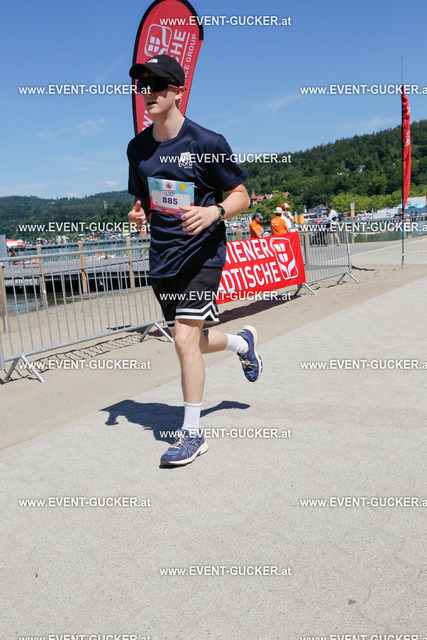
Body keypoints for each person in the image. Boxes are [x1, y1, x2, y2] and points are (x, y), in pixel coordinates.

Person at [127, 55, 263, 467]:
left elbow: (241, 196)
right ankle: (241, 343)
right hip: (163, 257)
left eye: (156, 85)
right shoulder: (137, 148)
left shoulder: (207, 142)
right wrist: (139, 216)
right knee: (191, 340)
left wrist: (214, 212)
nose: (147, 92)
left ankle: (191, 434)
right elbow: (145, 201)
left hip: (202, 255)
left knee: (185, 340)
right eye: (142, 85)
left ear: (178, 91)